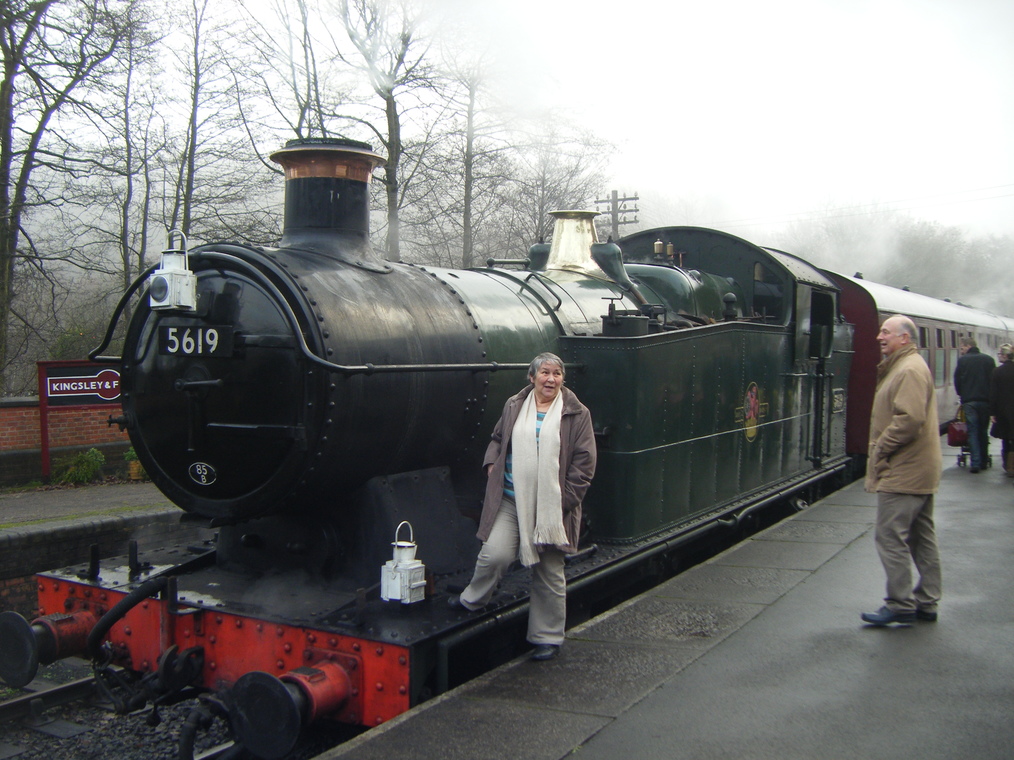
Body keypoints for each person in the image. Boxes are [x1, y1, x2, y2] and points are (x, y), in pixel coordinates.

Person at [450, 352, 596, 661]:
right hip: (510, 499)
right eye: (545, 373)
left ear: (563, 379)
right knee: (494, 555)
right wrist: (492, 463)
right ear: (532, 377)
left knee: (549, 571)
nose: (551, 379)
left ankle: (547, 637)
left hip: (551, 508)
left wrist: (563, 501)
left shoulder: (576, 413)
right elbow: (497, 438)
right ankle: (473, 600)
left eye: (557, 374)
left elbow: (584, 463)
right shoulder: (514, 405)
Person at [862, 314, 942, 626]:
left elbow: (909, 419)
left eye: (886, 332)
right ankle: (927, 601)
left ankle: (900, 603)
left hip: (905, 469)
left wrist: (880, 448)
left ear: (904, 338)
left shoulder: (908, 369)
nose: (879, 337)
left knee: (889, 536)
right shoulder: (909, 365)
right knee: (922, 538)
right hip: (919, 467)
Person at [954, 336, 995, 472]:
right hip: (985, 402)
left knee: (972, 431)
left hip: (969, 402)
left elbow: (957, 380)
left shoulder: (962, 361)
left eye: (962, 348)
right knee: (983, 431)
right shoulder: (989, 360)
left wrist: (962, 394)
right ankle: (983, 461)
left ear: (968, 346)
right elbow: (993, 381)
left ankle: (975, 463)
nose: (961, 351)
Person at [990, 343, 1014, 476]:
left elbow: (993, 394)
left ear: (1005, 356)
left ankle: (1007, 465)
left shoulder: (997, 372)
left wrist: (992, 412)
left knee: (1005, 438)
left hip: (1003, 410)